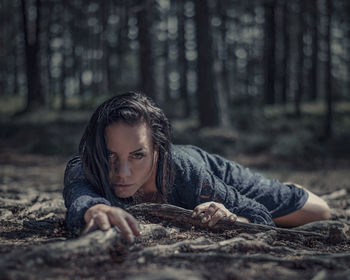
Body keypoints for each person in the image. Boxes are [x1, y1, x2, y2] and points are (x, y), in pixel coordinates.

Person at [63, 91, 330, 241]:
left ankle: (286, 187)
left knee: (318, 211)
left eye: (137, 155)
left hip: (214, 172)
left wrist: (230, 216)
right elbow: (80, 197)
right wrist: (95, 209)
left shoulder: (186, 173)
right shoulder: (83, 167)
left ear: (158, 150)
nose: (121, 173)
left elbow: (259, 214)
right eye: (110, 156)